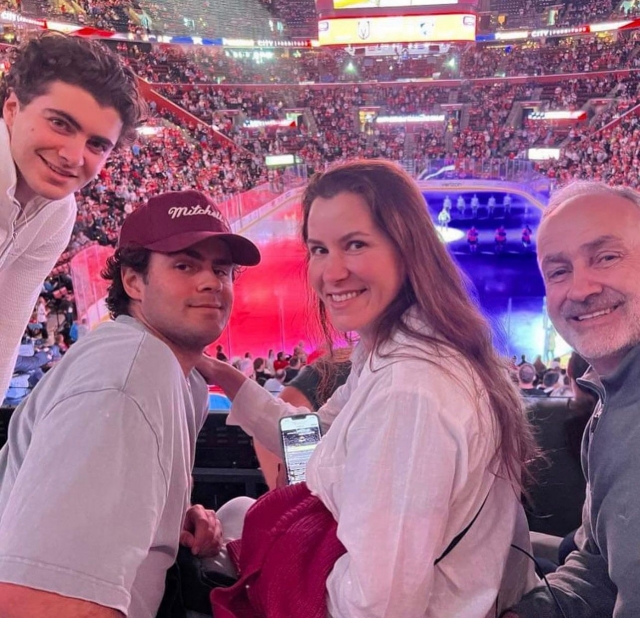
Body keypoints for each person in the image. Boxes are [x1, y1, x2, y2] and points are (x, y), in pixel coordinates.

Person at [199, 160, 536, 617]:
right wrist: (221, 373)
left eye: (355, 245)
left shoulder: (410, 392)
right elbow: (312, 436)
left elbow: (378, 606)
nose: (331, 272)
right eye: (319, 250)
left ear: (407, 248)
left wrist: (281, 567)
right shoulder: (398, 347)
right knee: (240, 512)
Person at [0, 189, 261, 617]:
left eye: (222, 270)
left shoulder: (180, 378)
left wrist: (170, 517)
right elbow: (36, 602)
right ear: (133, 281)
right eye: (185, 265)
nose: (211, 282)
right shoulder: (129, 374)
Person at [503, 181, 640, 617]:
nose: (580, 289)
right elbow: (599, 568)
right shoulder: (609, 408)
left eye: (606, 257)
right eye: (559, 271)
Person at [0, 33, 145, 403]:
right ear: (12, 109)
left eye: (96, 144)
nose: (73, 156)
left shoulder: (58, 213)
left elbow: (5, 328)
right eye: (60, 124)